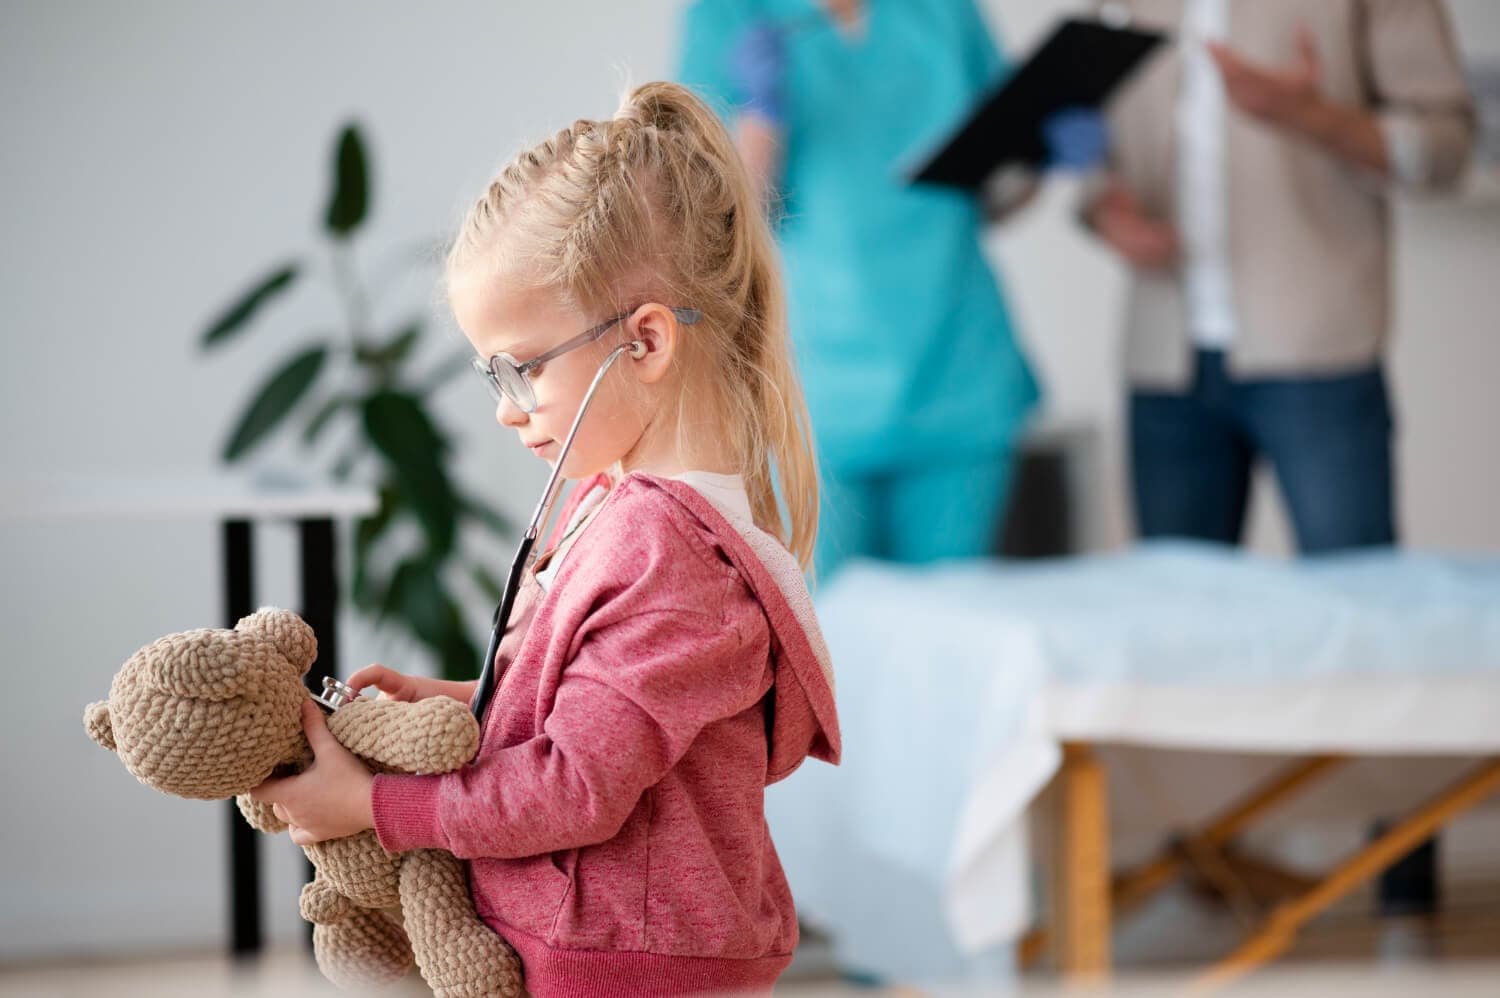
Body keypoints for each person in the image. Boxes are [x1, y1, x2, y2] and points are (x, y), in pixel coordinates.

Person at [251, 81, 841, 997]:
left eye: (521, 369)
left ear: (644, 342)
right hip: (609, 943)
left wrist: (373, 805)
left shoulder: (667, 553)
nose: (504, 408)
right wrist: (465, 698)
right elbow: (589, 713)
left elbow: (572, 787)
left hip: (630, 963)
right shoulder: (617, 503)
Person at [678, 0, 1088, 577]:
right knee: (826, 640)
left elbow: (995, 193)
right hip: (815, 388)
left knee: (951, 628)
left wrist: (1038, 152)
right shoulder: (729, 16)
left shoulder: (944, 12)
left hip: (957, 368)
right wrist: (760, 119)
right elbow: (714, 227)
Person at [1083, 0, 1474, 552]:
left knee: (1359, 601)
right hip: (1162, 358)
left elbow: (1449, 146)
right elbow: (1085, 126)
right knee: (1176, 617)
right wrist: (1103, 210)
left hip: (1316, 347)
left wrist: (1315, 118)